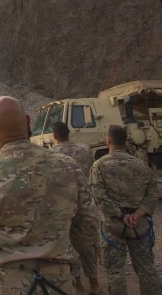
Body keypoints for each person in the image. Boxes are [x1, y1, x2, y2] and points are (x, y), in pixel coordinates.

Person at [0, 96, 98, 294]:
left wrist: (0, 257)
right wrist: (60, 248)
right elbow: (89, 226)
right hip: (59, 282)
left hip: (6, 283)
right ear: (28, 122)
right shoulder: (68, 167)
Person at [90, 125, 162, 295]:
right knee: (146, 268)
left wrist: (121, 215)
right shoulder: (141, 165)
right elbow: (153, 192)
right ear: (125, 141)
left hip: (113, 226)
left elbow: (98, 195)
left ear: (108, 140)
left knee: (115, 272)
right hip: (139, 224)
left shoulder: (99, 166)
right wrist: (139, 213)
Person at [49, 122, 99, 293]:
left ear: (54, 136)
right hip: (85, 203)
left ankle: (77, 283)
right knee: (87, 245)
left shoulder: (50, 155)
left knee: (69, 245)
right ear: (69, 133)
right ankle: (94, 282)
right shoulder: (85, 150)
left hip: (63, 208)